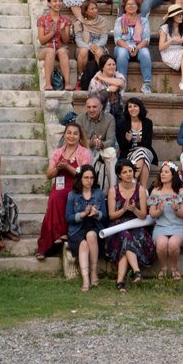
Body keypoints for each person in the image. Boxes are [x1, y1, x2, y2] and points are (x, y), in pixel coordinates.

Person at [36, 123, 92, 260]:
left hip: (77, 185)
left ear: (80, 136)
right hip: (60, 184)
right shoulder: (58, 152)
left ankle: (59, 236)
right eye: (69, 133)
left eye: (75, 133)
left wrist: (68, 167)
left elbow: (85, 174)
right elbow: (49, 175)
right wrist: (58, 168)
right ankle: (49, 241)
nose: (71, 136)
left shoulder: (84, 153)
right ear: (64, 135)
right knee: (55, 196)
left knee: (61, 196)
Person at [103, 159, 154, 290]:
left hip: (136, 226)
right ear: (119, 175)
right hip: (118, 226)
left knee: (126, 241)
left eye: (130, 171)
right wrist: (123, 210)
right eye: (124, 172)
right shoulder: (113, 191)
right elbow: (111, 215)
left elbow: (143, 215)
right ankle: (137, 271)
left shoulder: (141, 190)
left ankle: (120, 282)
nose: (128, 174)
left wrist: (134, 210)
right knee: (124, 236)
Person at [65, 165, 106, 290]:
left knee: (91, 235)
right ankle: (86, 279)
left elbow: (105, 216)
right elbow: (68, 217)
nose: (89, 181)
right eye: (86, 177)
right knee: (83, 245)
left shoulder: (99, 193)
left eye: (92, 178)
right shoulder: (73, 195)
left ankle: (93, 272)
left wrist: (97, 213)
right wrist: (82, 214)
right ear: (80, 178)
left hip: (94, 226)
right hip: (77, 228)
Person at [147, 163, 183, 278]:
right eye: (162, 171)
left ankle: (174, 268)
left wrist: (176, 209)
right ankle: (164, 268)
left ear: (173, 175)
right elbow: (152, 214)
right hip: (161, 227)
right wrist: (159, 210)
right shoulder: (155, 191)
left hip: (179, 228)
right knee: (161, 244)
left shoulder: (180, 191)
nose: (163, 174)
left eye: (166, 172)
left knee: (173, 244)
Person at [111, 0, 153, 94]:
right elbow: (118, 39)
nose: (131, 6)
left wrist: (137, 48)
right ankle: (122, 83)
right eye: (128, 4)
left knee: (145, 53)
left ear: (138, 6)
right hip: (123, 46)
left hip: (138, 46)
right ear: (124, 7)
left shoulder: (144, 21)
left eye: (133, 4)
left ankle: (146, 84)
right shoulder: (119, 21)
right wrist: (128, 48)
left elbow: (146, 39)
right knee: (122, 53)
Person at [75, 91, 118, 186]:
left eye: (94, 107)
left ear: (101, 107)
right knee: (85, 152)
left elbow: (111, 140)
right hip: (87, 147)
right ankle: (85, 186)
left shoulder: (109, 118)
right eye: (89, 107)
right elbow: (79, 140)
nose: (91, 110)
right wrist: (91, 143)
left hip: (103, 148)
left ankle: (112, 189)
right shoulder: (80, 119)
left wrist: (101, 144)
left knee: (111, 153)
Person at [35, 0, 75, 91]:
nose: (58, 3)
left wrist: (62, 30)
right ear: (49, 3)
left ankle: (67, 83)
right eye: (55, 1)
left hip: (61, 47)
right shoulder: (43, 19)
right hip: (46, 48)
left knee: (62, 51)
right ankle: (48, 83)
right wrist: (52, 32)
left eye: (60, 1)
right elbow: (41, 40)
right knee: (50, 51)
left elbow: (66, 41)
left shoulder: (65, 19)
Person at [157, 4, 183, 94]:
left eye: (182, 14)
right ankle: (182, 82)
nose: (181, 17)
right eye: (178, 15)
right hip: (168, 52)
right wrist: (173, 40)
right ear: (172, 17)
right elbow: (161, 48)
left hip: (181, 51)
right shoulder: (164, 28)